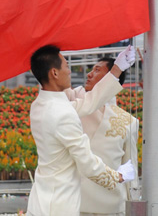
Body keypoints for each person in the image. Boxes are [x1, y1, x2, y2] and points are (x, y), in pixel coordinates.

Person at [26, 45, 136, 216]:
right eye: (66, 67)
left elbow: (88, 103)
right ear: (54, 73)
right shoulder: (63, 112)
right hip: (61, 205)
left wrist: (116, 69)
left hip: (40, 200)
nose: (70, 72)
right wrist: (119, 177)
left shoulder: (38, 105)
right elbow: (87, 163)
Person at [65, 57, 139, 216]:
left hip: (111, 206)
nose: (89, 74)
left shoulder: (129, 121)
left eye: (97, 70)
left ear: (112, 76)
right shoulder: (74, 102)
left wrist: (133, 202)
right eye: (91, 69)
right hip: (76, 202)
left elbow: (129, 167)